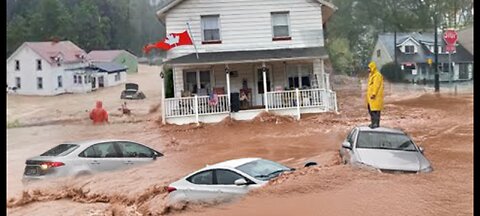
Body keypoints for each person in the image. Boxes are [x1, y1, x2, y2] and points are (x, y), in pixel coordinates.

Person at [366, 61, 384, 128]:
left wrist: (374, 93)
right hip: (370, 98)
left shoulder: (377, 75)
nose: (368, 70)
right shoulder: (371, 76)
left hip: (375, 97)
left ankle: (376, 124)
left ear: (372, 68)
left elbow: (376, 85)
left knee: (375, 111)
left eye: (369, 68)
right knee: (371, 110)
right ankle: (373, 123)